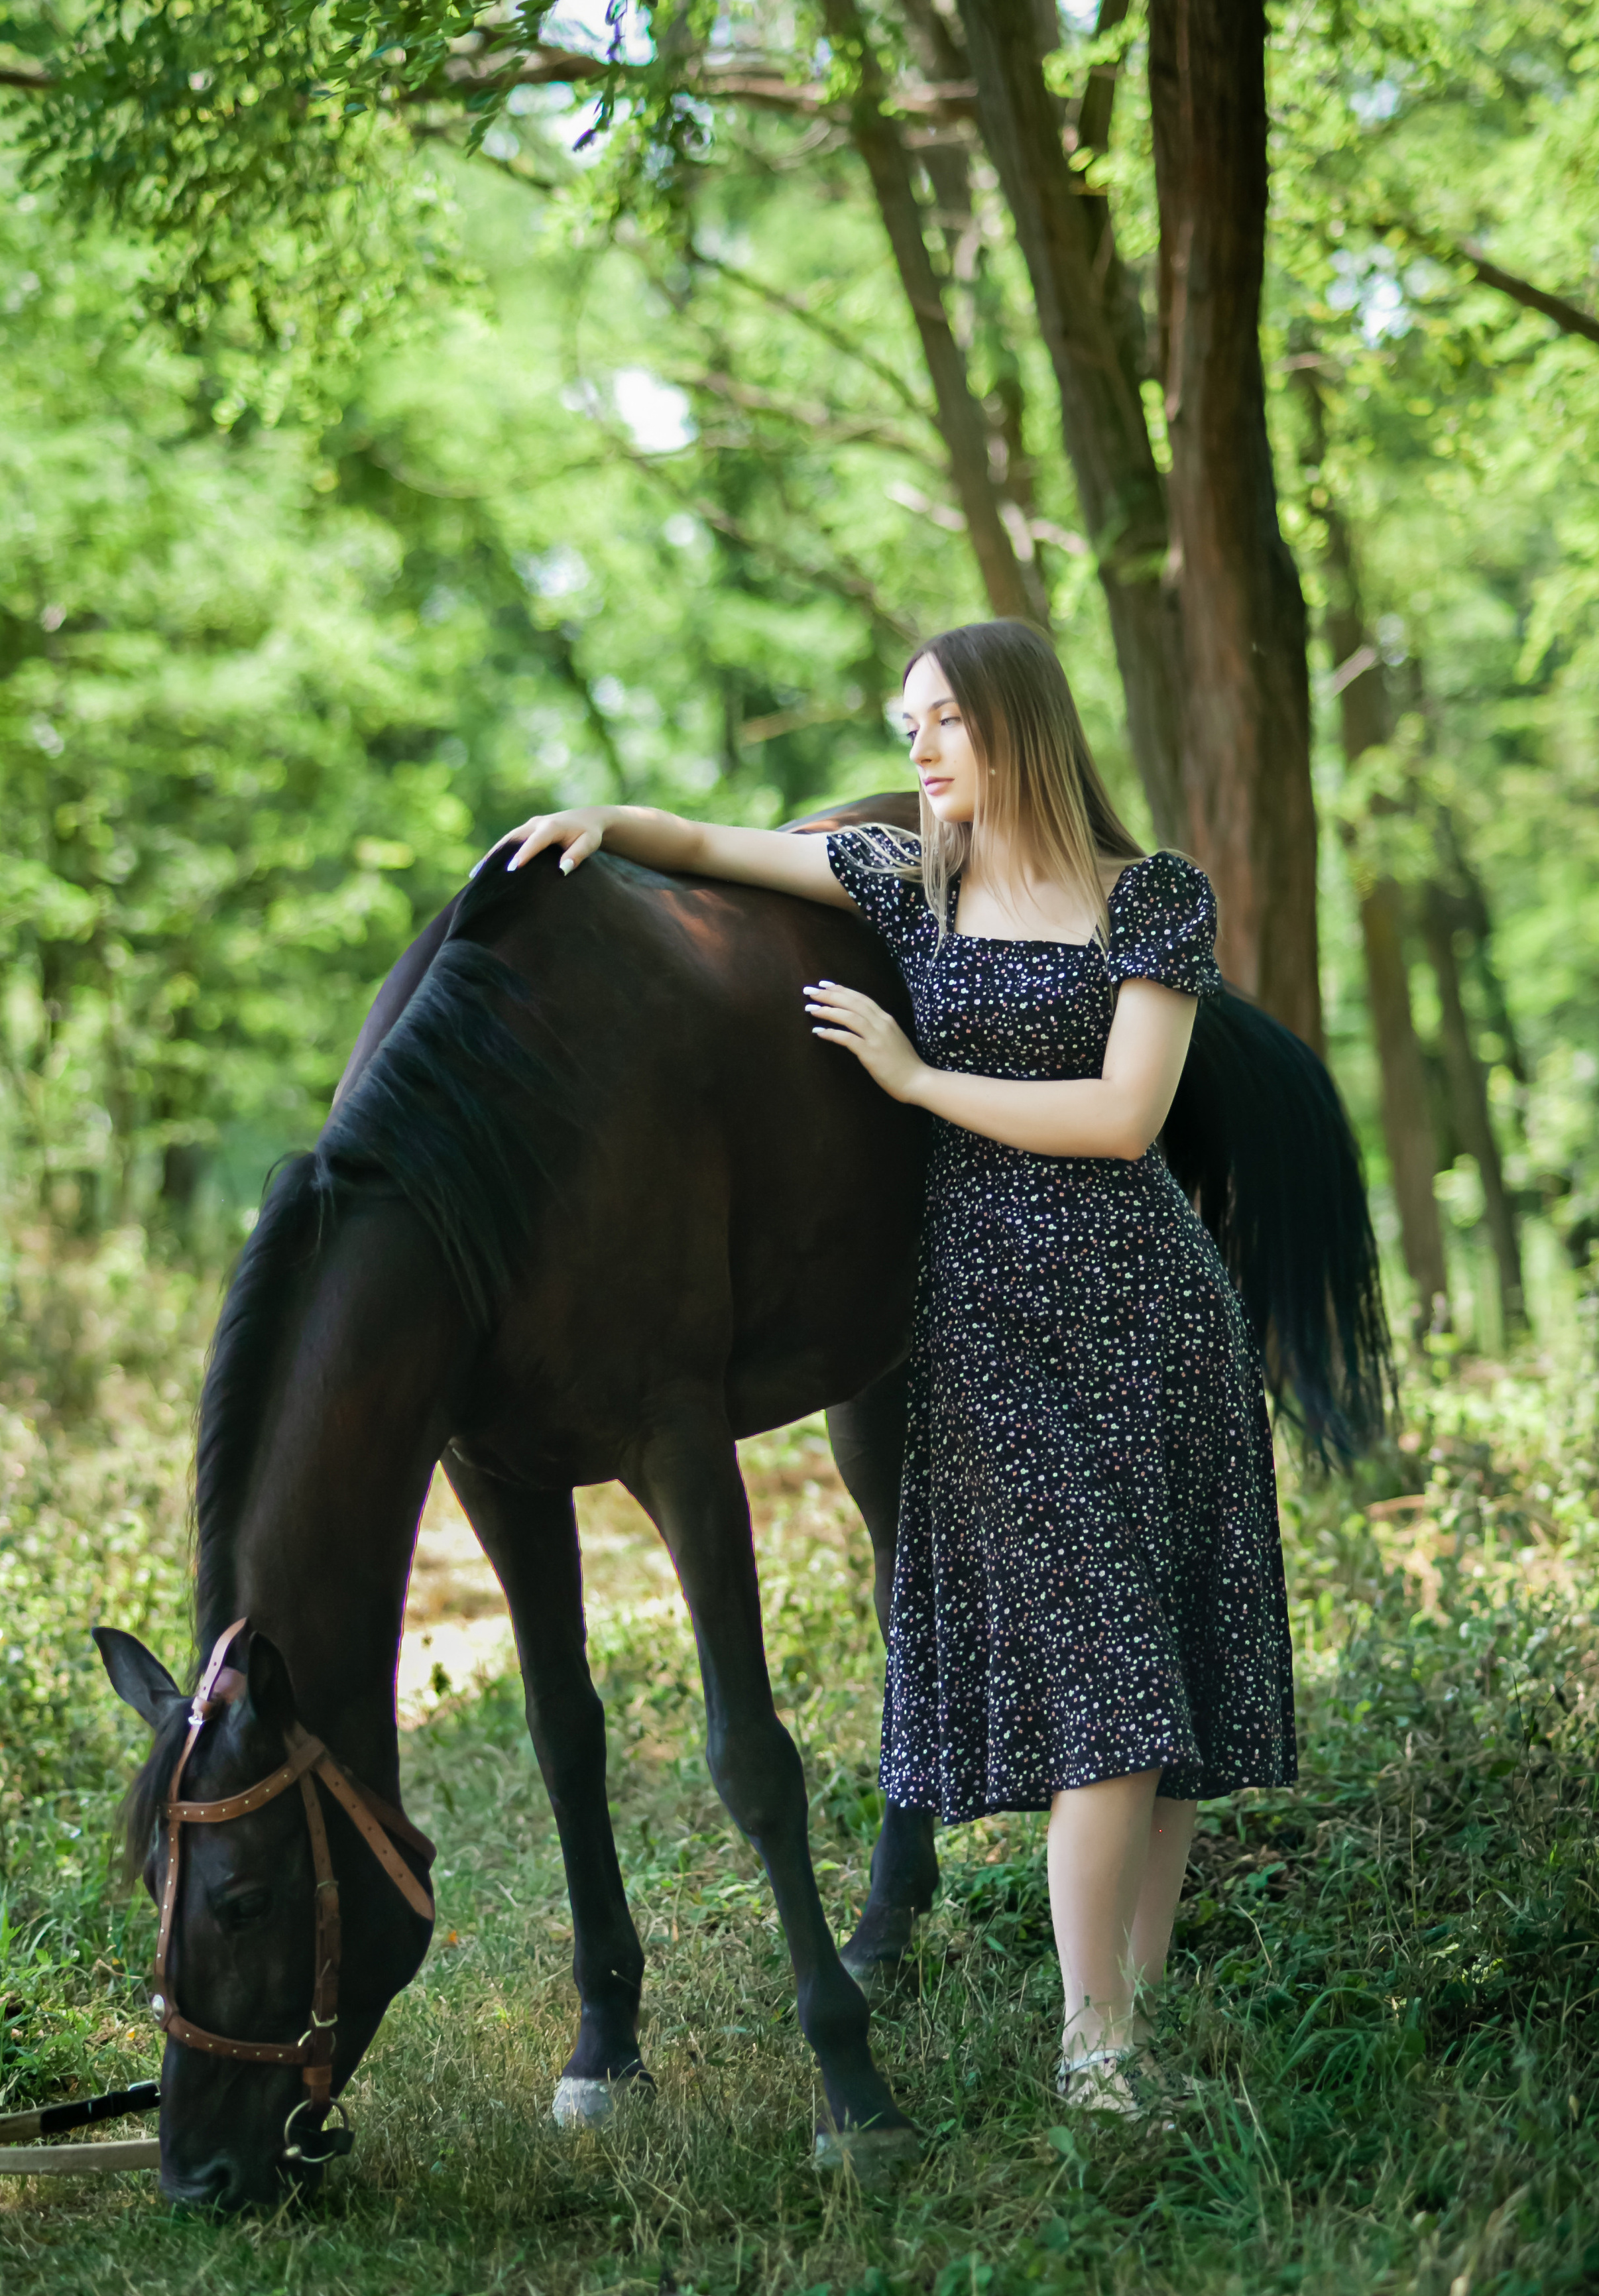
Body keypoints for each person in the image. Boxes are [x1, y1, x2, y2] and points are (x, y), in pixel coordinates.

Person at [492, 618, 1294, 2118]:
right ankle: (1091, 2050)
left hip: (1151, 1319)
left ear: (1013, 727)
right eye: (902, 723)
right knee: (1106, 1680)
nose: (912, 748)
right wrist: (601, 824)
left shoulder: (1152, 901)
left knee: (1164, 1683)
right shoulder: (907, 881)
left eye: (936, 722)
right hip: (987, 1330)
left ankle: (1127, 2024)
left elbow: (1125, 1122)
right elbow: (719, 843)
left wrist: (917, 1080)